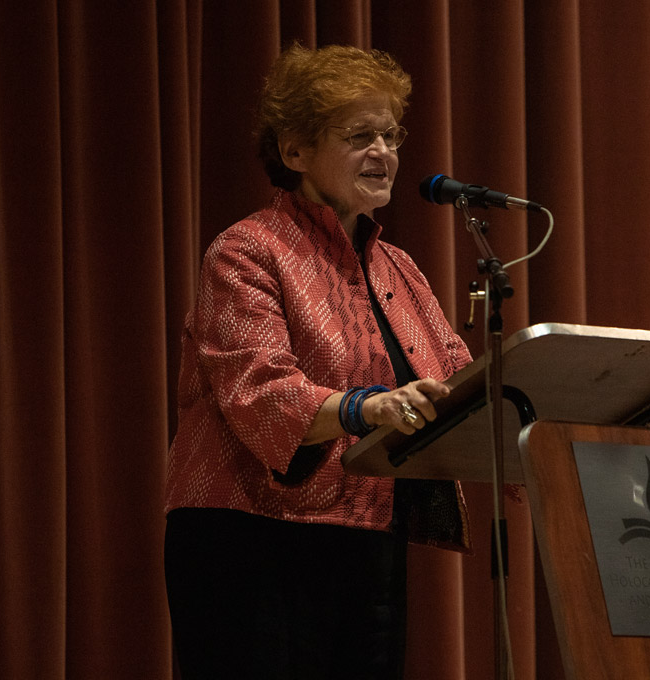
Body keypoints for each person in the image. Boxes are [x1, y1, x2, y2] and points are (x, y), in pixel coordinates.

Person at [163, 44, 473, 680]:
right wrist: (369, 406)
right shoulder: (247, 251)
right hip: (249, 539)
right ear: (295, 151)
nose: (384, 152)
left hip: (366, 536)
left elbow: (459, 382)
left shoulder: (400, 270)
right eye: (360, 135)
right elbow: (259, 389)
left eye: (391, 134)